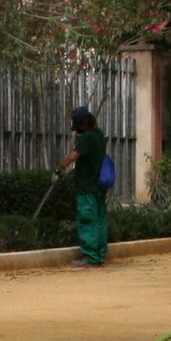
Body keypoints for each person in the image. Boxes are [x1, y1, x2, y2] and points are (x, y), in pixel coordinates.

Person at [58, 106, 110, 267]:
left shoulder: (87, 138)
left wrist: (59, 168)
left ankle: (91, 258)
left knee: (87, 220)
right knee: (100, 219)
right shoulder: (99, 134)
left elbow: (73, 156)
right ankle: (100, 255)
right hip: (99, 186)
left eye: (77, 126)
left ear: (83, 123)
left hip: (87, 186)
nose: (77, 131)